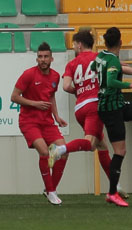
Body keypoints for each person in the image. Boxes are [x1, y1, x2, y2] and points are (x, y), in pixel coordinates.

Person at [55, 30, 127, 199]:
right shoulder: (100, 57)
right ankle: (60, 149)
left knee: (101, 146)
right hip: (95, 105)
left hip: (80, 107)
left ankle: (115, 186)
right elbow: (117, 67)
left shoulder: (72, 64)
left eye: (74, 44)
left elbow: (65, 86)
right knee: (91, 143)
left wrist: (79, 91)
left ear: (79, 44)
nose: (73, 47)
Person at [10, 42, 68, 205]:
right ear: (36, 58)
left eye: (46, 57)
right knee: (44, 152)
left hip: (47, 122)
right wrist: (35, 103)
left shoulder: (55, 76)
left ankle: (51, 189)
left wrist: (56, 116)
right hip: (29, 122)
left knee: (63, 152)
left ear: (51, 58)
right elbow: (14, 96)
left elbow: (50, 97)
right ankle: (50, 192)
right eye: (40, 57)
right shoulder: (28, 75)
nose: (42, 60)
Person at [93, 28, 132, 207]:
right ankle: (112, 193)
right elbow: (110, 81)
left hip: (113, 104)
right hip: (111, 108)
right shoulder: (113, 61)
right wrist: (127, 83)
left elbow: (95, 67)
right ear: (120, 42)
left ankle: (112, 192)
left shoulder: (101, 56)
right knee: (120, 151)